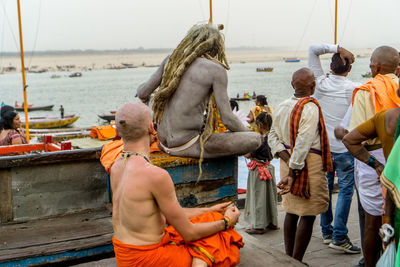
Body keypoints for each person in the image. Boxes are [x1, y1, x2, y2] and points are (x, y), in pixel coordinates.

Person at [111, 102, 244, 267]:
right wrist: (227, 223)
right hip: (148, 259)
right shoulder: (155, 175)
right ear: (151, 128)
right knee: (222, 241)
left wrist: (209, 210)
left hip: (124, 255)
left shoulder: (117, 166)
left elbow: (160, 215)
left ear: (117, 131)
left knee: (212, 217)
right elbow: (189, 234)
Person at [136, 24, 260, 159]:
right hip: (188, 145)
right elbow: (227, 119)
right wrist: (246, 133)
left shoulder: (170, 61)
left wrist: (145, 88)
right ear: (216, 46)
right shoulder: (216, 70)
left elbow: (142, 93)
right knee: (255, 139)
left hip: (164, 144)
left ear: (190, 41)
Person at [268, 68, 332, 264]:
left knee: (292, 210)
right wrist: (295, 168)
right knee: (308, 213)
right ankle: (296, 260)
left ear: (292, 85)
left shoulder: (281, 106)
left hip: (288, 160)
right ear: (313, 86)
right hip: (306, 163)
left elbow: (272, 137)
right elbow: (303, 143)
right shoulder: (310, 107)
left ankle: (289, 257)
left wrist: (288, 161)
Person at [348, 46, 400, 267]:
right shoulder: (396, 84)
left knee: (373, 222)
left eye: (370, 63)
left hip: (375, 157)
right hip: (392, 153)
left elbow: (352, 135)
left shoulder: (366, 91)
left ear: (376, 66)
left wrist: (377, 165)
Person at [308, 43, 361, 253]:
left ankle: (326, 231)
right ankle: (339, 236)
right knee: (346, 190)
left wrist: (339, 48)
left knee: (327, 188)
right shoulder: (354, 88)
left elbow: (313, 49)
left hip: (324, 147)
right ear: (349, 69)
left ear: (330, 67)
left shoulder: (319, 83)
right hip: (344, 148)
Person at [244, 112, 278, 234]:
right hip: (268, 168)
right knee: (270, 197)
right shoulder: (272, 137)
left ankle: (258, 226)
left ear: (258, 124)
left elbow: (248, 154)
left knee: (258, 197)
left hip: (259, 172)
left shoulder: (260, 140)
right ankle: (272, 222)